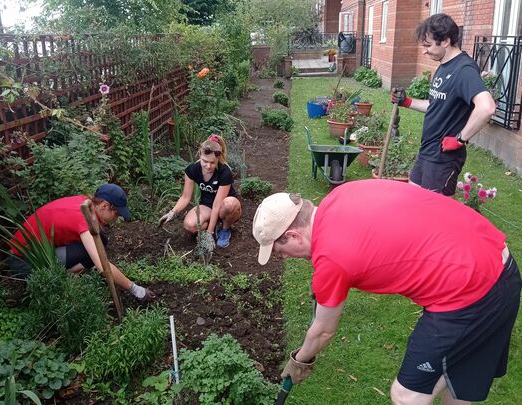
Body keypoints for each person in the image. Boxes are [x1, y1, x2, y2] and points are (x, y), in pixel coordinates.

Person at [252, 179, 520, 404]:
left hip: (472, 291)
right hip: (498, 261)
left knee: (406, 396)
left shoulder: (331, 260)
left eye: (279, 251)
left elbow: (322, 331)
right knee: (457, 383)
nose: (285, 258)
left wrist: (300, 359)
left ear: (294, 236)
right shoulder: (341, 194)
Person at [390, 13, 496, 196]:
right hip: (427, 152)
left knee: (434, 215)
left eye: (428, 45)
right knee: (414, 200)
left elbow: (487, 107)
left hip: (443, 159)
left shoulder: (464, 70)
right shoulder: (444, 66)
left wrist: (460, 139)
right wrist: (407, 102)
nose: (424, 51)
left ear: (445, 41)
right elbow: (437, 105)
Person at [9, 183, 155, 302]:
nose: (116, 218)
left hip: (37, 250)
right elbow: (103, 265)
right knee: (94, 255)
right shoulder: (83, 220)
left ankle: (67, 274)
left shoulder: (86, 202)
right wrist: (135, 289)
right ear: (104, 206)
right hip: (27, 260)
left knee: (100, 241)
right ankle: (60, 279)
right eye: (116, 213)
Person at [158, 134, 241, 248]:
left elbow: (217, 204)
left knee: (230, 204)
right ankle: (213, 224)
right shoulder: (193, 169)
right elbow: (185, 197)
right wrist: (173, 212)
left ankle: (225, 229)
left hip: (224, 207)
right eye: (205, 161)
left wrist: (209, 234)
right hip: (206, 205)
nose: (208, 166)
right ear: (200, 155)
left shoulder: (224, 171)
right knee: (189, 226)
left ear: (217, 159)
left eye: (212, 162)